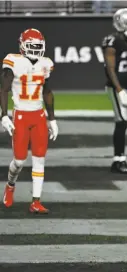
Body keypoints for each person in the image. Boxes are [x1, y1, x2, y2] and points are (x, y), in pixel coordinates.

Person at [1, 28, 58, 214]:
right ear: (23, 46)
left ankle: (36, 201)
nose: (35, 50)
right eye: (31, 46)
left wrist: (52, 118)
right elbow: (4, 89)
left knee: (39, 159)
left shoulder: (46, 63)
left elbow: (47, 92)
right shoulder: (13, 61)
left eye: (38, 46)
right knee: (18, 161)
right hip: (21, 116)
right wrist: (3, 114)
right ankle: (10, 185)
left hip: (38, 115)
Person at [102, 8, 127, 174]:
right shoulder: (112, 40)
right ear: (120, 23)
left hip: (126, 86)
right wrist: (119, 90)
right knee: (121, 122)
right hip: (116, 87)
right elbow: (110, 68)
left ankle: (119, 159)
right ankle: (118, 160)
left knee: (123, 123)